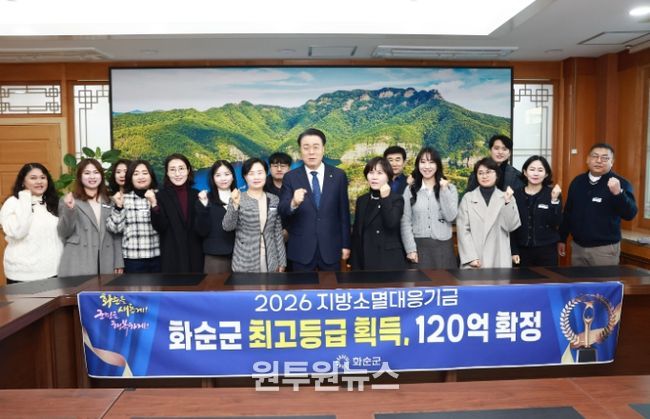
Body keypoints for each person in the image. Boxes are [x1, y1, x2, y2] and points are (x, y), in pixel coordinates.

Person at [279, 128, 351, 271]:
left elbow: (344, 213)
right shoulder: (290, 177)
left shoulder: (339, 175)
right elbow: (282, 210)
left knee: (331, 285)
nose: (311, 152)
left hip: (331, 248)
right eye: (306, 148)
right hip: (301, 250)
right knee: (302, 286)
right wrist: (293, 203)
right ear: (300, 151)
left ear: (323, 149)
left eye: (316, 147)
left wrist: (346, 245)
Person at [559, 143, 637, 266]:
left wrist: (618, 194)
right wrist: (562, 238)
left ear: (612, 162)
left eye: (605, 158)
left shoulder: (620, 183)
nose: (599, 160)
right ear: (587, 159)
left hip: (604, 250)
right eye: (595, 156)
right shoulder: (577, 182)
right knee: (578, 279)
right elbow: (568, 212)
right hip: (578, 247)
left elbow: (630, 214)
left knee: (605, 279)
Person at [57, 158, 123, 276]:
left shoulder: (110, 201)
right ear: (80, 177)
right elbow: (63, 232)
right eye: (87, 173)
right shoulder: (69, 200)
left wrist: (118, 261)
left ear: (101, 176)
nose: (92, 177)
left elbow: (116, 234)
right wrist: (70, 210)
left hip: (106, 258)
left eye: (96, 172)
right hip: (78, 258)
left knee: (105, 288)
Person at [0, 163, 62, 283]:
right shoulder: (12, 203)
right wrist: (25, 198)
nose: (39, 181)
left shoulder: (53, 202)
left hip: (53, 271)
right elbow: (18, 232)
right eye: (33, 178)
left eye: (43, 177)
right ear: (23, 182)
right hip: (22, 274)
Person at [223, 158, 286, 272]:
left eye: (260, 172)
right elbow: (228, 226)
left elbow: (277, 233)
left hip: (271, 259)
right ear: (245, 177)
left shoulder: (274, 199)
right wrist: (235, 205)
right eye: (251, 173)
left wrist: (282, 261)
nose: (256, 177)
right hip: (245, 260)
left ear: (265, 174)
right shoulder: (238, 197)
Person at [457, 157, 521, 269]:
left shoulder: (507, 197)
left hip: (499, 256)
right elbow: (463, 230)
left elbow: (511, 226)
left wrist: (507, 202)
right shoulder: (468, 198)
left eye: (488, 172)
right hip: (476, 258)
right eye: (480, 173)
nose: (484, 176)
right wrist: (471, 257)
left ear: (497, 175)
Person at [401, 147, 458, 269]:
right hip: (419, 248)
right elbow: (405, 221)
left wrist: (444, 190)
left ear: (437, 165)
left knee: (445, 280)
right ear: (418, 165)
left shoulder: (450, 188)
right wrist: (410, 249)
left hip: (444, 248)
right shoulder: (410, 189)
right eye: (423, 162)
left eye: (431, 162)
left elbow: (451, 217)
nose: (427, 166)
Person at [150, 153, 203, 273]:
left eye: (181, 169)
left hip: (195, 255)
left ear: (188, 170)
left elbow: (202, 229)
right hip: (171, 256)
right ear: (167, 173)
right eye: (172, 170)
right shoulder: (160, 196)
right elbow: (160, 226)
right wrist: (154, 205)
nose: (177, 174)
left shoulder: (197, 195)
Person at [350, 157, 406, 271]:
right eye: (371, 172)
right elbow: (357, 233)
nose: (374, 177)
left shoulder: (396, 199)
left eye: (380, 173)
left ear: (388, 176)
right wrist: (354, 262)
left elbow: (391, 223)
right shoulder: (362, 200)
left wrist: (385, 198)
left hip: (387, 261)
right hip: (363, 260)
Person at [106, 159, 161, 273]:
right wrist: (119, 207)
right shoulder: (123, 198)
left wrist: (154, 203)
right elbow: (115, 229)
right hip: (132, 258)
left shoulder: (159, 196)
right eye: (136, 174)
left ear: (151, 176)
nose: (141, 177)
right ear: (130, 178)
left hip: (157, 256)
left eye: (145, 173)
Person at [510, 156, 562, 267]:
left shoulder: (553, 194)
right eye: (532, 169)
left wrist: (554, 201)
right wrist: (514, 251)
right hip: (522, 251)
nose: (536, 173)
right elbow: (511, 226)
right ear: (525, 172)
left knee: (548, 278)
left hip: (547, 250)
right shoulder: (516, 195)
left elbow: (556, 222)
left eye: (540, 170)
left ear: (546, 174)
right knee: (522, 278)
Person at [195, 160, 237, 273]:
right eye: (218, 175)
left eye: (227, 174)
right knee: (214, 284)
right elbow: (201, 231)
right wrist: (204, 207)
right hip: (215, 256)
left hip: (241, 255)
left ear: (233, 176)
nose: (223, 178)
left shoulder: (241, 197)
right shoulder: (205, 199)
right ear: (213, 178)